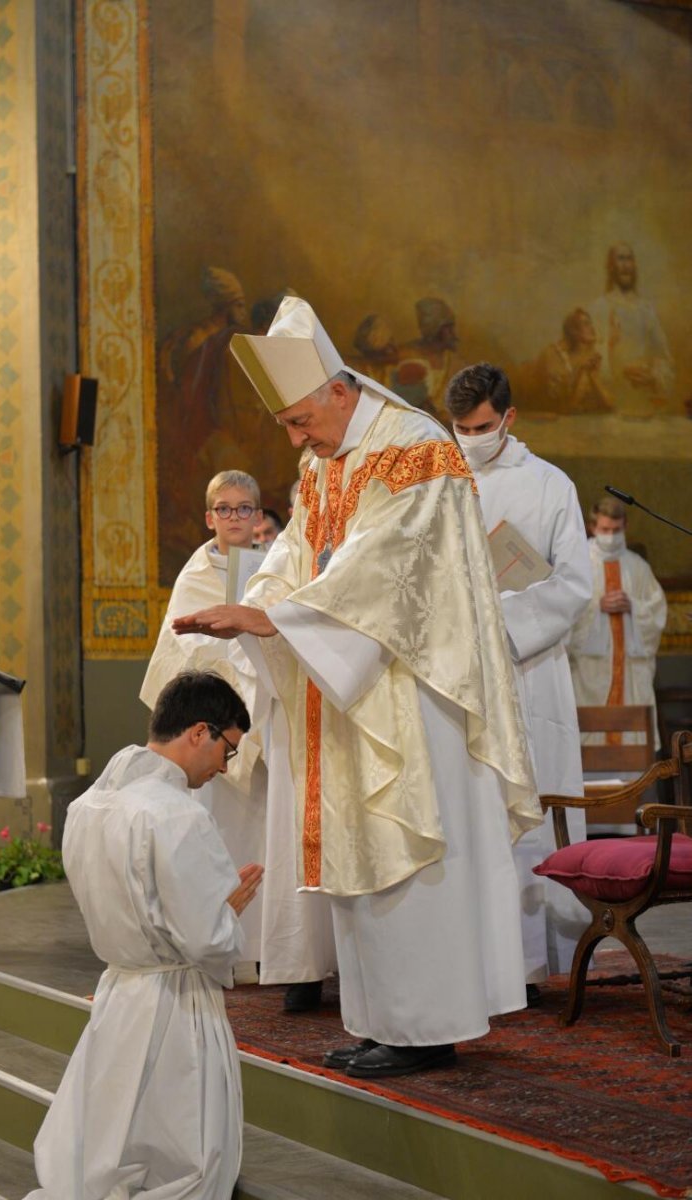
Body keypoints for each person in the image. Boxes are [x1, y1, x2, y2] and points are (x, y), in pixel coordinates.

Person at [173, 296, 542, 1079]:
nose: (296, 439)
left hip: (411, 690)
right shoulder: (322, 462)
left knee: (404, 842)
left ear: (341, 391)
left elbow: (392, 563)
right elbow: (294, 552)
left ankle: (428, 1024)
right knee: (359, 847)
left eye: (302, 420)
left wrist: (280, 618)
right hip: (343, 684)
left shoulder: (416, 449)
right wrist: (259, 606)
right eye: (287, 427)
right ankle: (384, 1020)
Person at [25, 670, 263, 1200]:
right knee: (184, 1155)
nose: (224, 769)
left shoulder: (85, 808)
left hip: (118, 993)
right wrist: (228, 915)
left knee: (111, 1133)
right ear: (199, 732)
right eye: (228, 751)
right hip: (175, 1004)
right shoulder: (179, 815)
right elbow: (205, 941)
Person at [445, 363, 592, 997]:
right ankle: (468, 961)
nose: (469, 439)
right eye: (458, 427)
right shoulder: (436, 480)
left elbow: (574, 585)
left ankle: (531, 965)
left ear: (510, 418)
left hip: (527, 667)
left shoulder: (550, 485)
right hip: (455, 671)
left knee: (526, 811)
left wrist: (499, 621)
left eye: (480, 427)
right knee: (467, 813)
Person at [140, 470, 266, 977]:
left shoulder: (273, 566)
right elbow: (189, 643)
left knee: (262, 831)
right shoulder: (196, 573)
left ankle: (265, 950)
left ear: (257, 516)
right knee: (218, 832)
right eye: (225, 508)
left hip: (263, 713)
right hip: (213, 722)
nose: (234, 517)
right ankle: (223, 950)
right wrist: (241, 643)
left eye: (244, 508)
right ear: (209, 516)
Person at [569, 495, 667, 748]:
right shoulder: (576, 563)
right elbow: (562, 612)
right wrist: (596, 607)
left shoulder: (638, 567)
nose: (610, 536)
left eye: (616, 530)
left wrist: (633, 606)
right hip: (590, 671)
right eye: (605, 530)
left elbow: (657, 612)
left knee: (632, 747)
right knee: (589, 743)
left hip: (630, 672)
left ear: (625, 526)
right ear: (592, 527)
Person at [588, 243, 674, 417]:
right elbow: (589, 359)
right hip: (609, 404)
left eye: (629, 259)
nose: (626, 265)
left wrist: (654, 376)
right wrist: (610, 347)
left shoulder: (646, 310)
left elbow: (666, 360)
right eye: (620, 259)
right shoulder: (599, 308)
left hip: (643, 405)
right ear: (611, 267)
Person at [393, 296, 465, 416]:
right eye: (449, 328)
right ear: (436, 329)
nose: (454, 333)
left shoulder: (456, 364)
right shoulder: (407, 354)